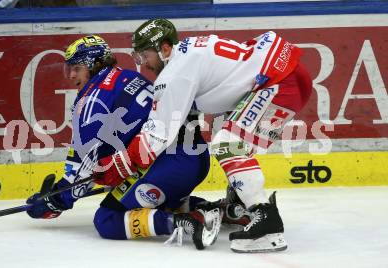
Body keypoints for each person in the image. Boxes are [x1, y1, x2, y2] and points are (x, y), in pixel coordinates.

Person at [95, 18, 313, 253]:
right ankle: (240, 203)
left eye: (145, 56)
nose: (144, 64)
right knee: (236, 142)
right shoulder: (186, 53)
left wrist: (119, 163)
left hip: (281, 80)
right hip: (286, 72)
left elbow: (158, 134)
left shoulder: (175, 74)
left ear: (165, 48)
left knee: (229, 145)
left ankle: (267, 223)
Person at [25, 34, 221, 250]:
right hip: (196, 158)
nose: (71, 75)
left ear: (94, 64)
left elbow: (81, 173)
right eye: (68, 68)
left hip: (169, 168)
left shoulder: (91, 103)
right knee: (139, 193)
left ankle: (185, 222)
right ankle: (215, 210)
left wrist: (53, 201)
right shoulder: (127, 76)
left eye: (77, 68)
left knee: (107, 220)